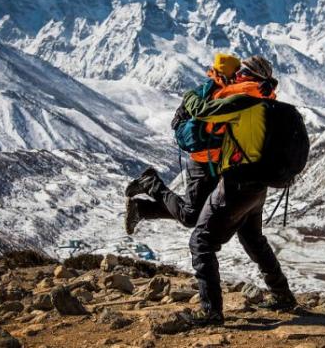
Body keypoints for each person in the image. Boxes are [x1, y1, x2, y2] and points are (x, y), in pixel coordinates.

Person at [180, 56, 296, 325]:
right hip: (258, 184)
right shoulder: (268, 99)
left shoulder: (242, 99)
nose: (237, 75)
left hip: (238, 183)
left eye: (241, 71)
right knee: (253, 238)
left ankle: (211, 313)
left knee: (201, 241)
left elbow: (202, 111)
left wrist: (190, 95)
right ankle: (283, 296)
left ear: (248, 75)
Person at [124, 53, 241, 232]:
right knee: (190, 216)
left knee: (202, 213)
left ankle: (142, 209)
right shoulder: (220, 97)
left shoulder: (209, 90)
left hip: (211, 163)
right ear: (230, 74)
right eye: (237, 73)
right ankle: (150, 184)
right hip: (203, 164)